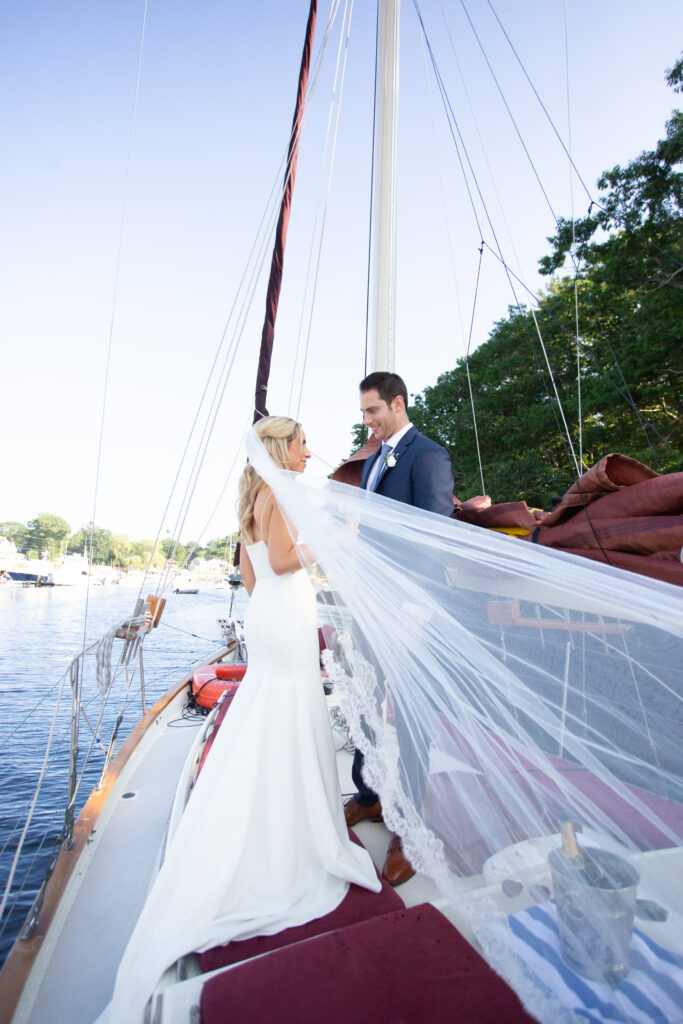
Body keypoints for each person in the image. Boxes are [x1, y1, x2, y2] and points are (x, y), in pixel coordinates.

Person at [98, 416, 380, 1024]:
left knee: (273, 715)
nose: (311, 451)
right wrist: (336, 537)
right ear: (283, 446)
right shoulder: (278, 490)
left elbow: (252, 577)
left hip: (268, 617)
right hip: (285, 613)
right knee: (289, 712)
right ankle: (290, 834)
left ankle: (269, 818)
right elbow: (280, 564)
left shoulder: (253, 498)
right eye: (303, 443)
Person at [344, 371, 455, 885]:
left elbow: (433, 537)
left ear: (398, 404)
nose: (366, 420)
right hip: (367, 603)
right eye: (364, 413)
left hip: (407, 608)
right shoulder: (374, 458)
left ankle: (409, 826)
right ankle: (368, 795)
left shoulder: (426, 455)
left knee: (408, 715)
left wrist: (413, 609)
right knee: (365, 696)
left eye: (372, 411)